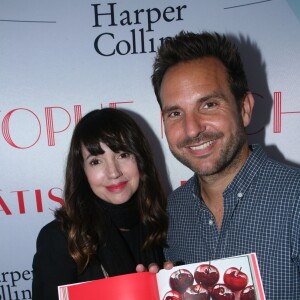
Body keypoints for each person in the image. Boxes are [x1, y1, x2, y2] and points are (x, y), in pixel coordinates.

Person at [151, 31, 300, 299]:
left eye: (208, 104)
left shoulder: (296, 200)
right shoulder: (175, 208)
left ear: (244, 109)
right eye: (175, 113)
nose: (192, 129)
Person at [32, 108, 168, 300]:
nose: (113, 172)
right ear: (82, 172)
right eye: (96, 161)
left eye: (122, 155)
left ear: (140, 159)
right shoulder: (60, 239)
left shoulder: (164, 223)